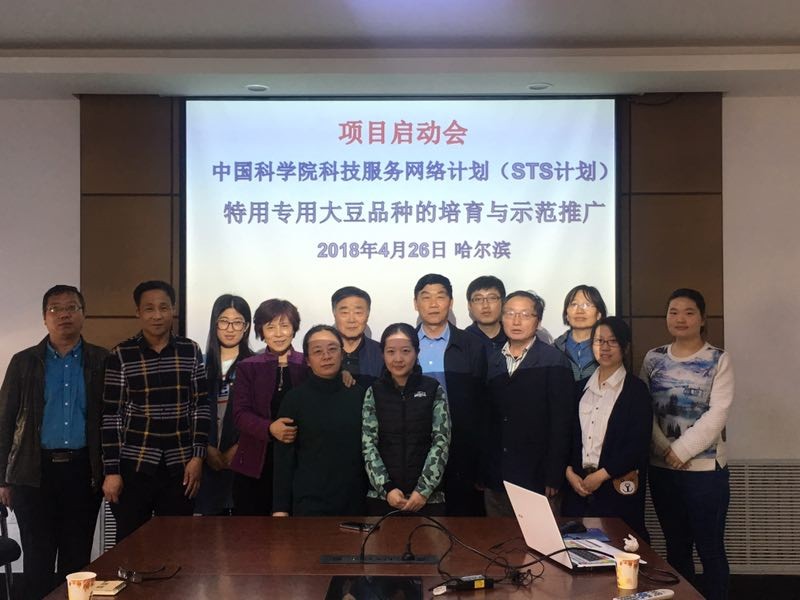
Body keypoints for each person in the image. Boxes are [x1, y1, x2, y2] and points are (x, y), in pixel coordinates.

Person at [0, 285, 107, 599]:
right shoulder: (24, 362)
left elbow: (112, 418)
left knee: (78, 560)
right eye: (55, 309)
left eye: (72, 307)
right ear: (44, 318)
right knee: (38, 562)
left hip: (83, 471)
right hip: (33, 474)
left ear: (83, 314)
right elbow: (4, 421)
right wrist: (2, 479)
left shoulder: (102, 359)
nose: (64, 314)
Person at [640, 289, 733, 600]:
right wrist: (664, 449)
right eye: (673, 312)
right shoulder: (653, 358)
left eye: (689, 312)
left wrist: (681, 450)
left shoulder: (718, 359)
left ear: (702, 319)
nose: (680, 318)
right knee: (676, 547)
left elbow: (717, 413)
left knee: (710, 548)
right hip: (662, 468)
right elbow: (643, 409)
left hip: (705, 471)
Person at [102, 280, 209, 542]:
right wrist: (111, 470)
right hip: (134, 465)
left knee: (177, 544)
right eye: (149, 308)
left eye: (164, 307)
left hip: (181, 466)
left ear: (173, 310)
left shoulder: (190, 350)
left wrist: (198, 457)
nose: (157, 315)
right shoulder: (121, 354)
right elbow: (112, 415)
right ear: (138, 312)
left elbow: (200, 406)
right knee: (130, 546)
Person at [483, 291, 575, 517]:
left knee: (538, 538)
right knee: (496, 537)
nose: (516, 321)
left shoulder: (554, 361)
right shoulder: (492, 360)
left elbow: (562, 422)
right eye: (510, 313)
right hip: (497, 476)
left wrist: (554, 474)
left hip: (537, 476)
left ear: (538, 321)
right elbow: (485, 420)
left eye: (525, 314)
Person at [562, 317, 652, 540]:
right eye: (599, 341)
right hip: (578, 489)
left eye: (612, 341)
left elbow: (638, 445)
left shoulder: (636, 390)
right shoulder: (579, 388)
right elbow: (568, 437)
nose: (604, 347)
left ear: (625, 347)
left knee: (618, 550)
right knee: (576, 551)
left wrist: (601, 476)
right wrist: (569, 472)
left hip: (616, 489)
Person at [272, 325, 367, 516]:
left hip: (356, 503)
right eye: (317, 351)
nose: (326, 356)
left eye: (332, 349)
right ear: (307, 360)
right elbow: (284, 459)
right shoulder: (294, 399)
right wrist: (280, 509)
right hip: (309, 504)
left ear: (342, 354)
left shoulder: (360, 394)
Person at [413, 273, 487, 516]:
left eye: (440, 297)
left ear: (451, 302)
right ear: (416, 303)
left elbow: (481, 403)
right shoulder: (405, 345)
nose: (433, 304)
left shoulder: (471, 345)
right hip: (416, 446)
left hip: (460, 447)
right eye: (426, 297)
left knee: (461, 517)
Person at [362, 323, 451, 516]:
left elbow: (441, 441)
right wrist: (387, 489)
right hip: (382, 498)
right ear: (382, 354)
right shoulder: (374, 391)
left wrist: (423, 490)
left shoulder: (433, 389)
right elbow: (368, 444)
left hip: (429, 499)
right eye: (390, 352)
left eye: (405, 351)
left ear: (417, 352)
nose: (398, 359)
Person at [230, 299, 306, 516]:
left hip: (298, 463)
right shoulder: (248, 367)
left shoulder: (307, 364)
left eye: (285, 326)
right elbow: (240, 414)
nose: (278, 333)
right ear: (261, 331)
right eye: (270, 327)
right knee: (252, 532)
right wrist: (270, 428)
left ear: (294, 328)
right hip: (255, 464)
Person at [193, 294, 254, 516]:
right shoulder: (198, 363)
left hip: (241, 461)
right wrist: (206, 447)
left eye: (237, 322)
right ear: (214, 323)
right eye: (224, 321)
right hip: (203, 460)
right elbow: (190, 410)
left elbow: (259, 415)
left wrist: (238, 448)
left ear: (246, 326)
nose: (230, 328)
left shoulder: (255, 365)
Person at [331, 286, 383, 387]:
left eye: (358, 313)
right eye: (345, 313)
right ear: (334, 313)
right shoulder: (321, 355)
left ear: (368, 315)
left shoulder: (381, 354)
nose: (351, 320)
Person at [554, 285, 608, 381]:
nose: (579, 311)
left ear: (599, 314)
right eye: (574, 304)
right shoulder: (554, 348)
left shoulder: (608, 348)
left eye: (587, 304)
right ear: (566, 314)